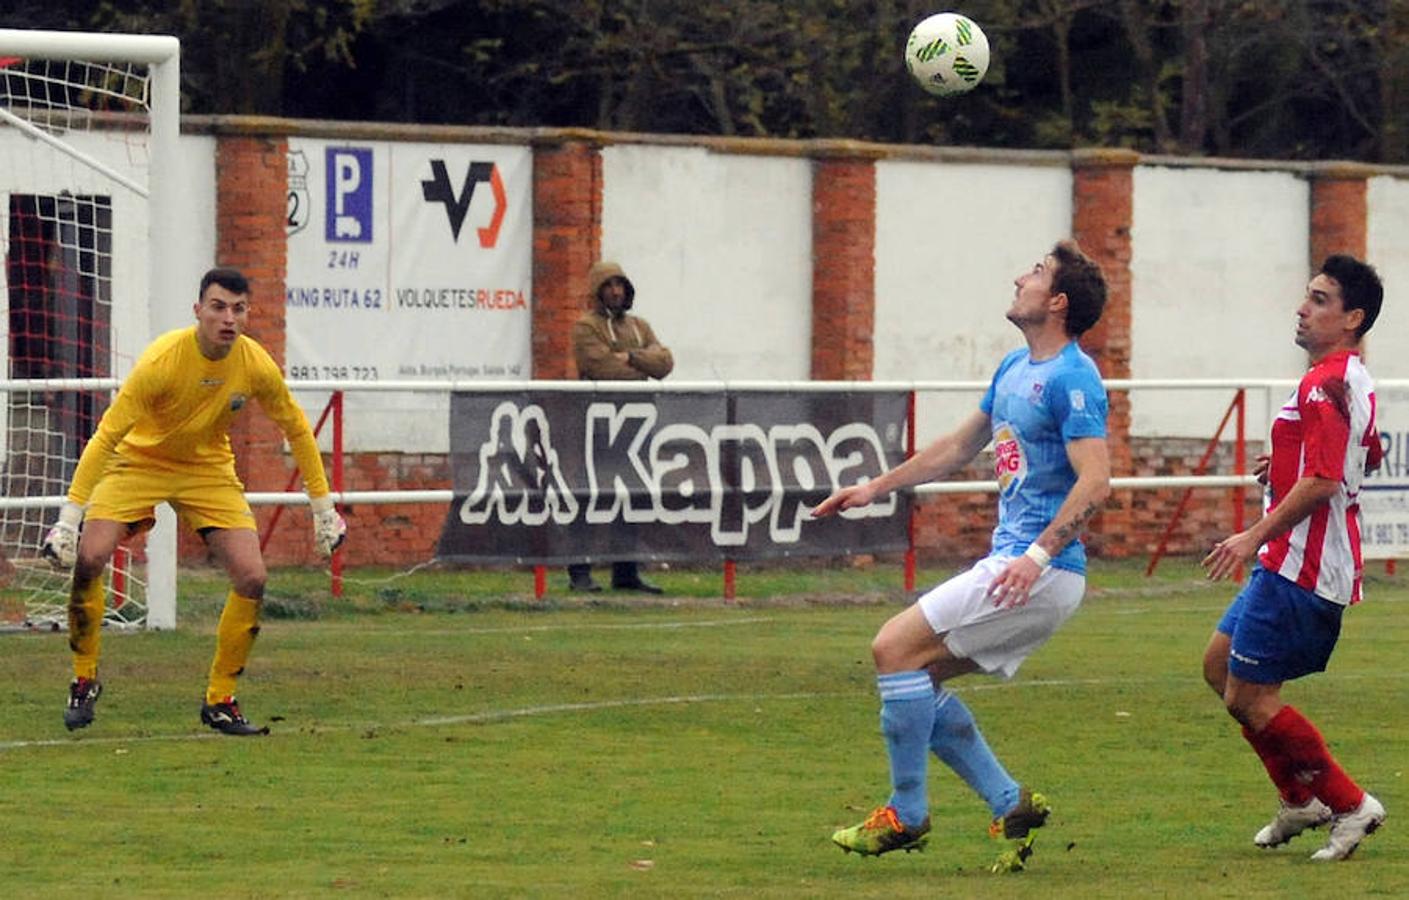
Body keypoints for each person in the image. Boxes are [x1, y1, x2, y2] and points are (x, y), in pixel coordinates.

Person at [814, 241, 1111, 870]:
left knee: (892, 648)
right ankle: (1010, 803)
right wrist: (874, 488)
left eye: (1033, 274)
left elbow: (1096, 482)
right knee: (913, 680)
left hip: (1040, 571)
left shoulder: (1074, 377)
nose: (1018, 278)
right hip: (1020, 565)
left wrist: (1034, 556)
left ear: (1057, 301)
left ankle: (908, 813)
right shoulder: (1013, 368)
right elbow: (956, 447)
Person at [41, 267, 346, 736]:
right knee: (91, 557)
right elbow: (107, 436)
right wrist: (68, 518)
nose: (229, 318)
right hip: (137, 462)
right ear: (198, 310)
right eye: (219, 307)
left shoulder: (254, 362)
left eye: (238, 309)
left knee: (253, 576)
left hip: (207, 470)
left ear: (248, 314)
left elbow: (296, 427)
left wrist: (323, 509)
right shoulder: (162, 360)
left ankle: (221, 700)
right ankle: (84, 679)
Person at [1200, 254, 1386, 861]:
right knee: (1217, 667)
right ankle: (1298, 800)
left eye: (1320, 300)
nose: (1303, 309)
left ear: (1352, 318)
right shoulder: (1352, 378)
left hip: (1300, 565)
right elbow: (1369, 454)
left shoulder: (1323, 383)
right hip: (1292, 560)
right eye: (1307, 297)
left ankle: (1350, 804)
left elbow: (1328, 479)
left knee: (1249, 698)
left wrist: (1251, 534)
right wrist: (1283, 466)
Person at [566, 260, 674, 594]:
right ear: (597, 290)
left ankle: (626, 571)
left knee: (633, 496)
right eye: (609, 285)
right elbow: (600, 368)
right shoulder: (585, 327)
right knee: (589, 496)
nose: (615, 291)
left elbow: (665, 363)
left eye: (620, 285)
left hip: (636, 424)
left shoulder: (639, 325)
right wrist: (641, 362)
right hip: (597, 425)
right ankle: (579, 572)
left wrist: (629, 357)